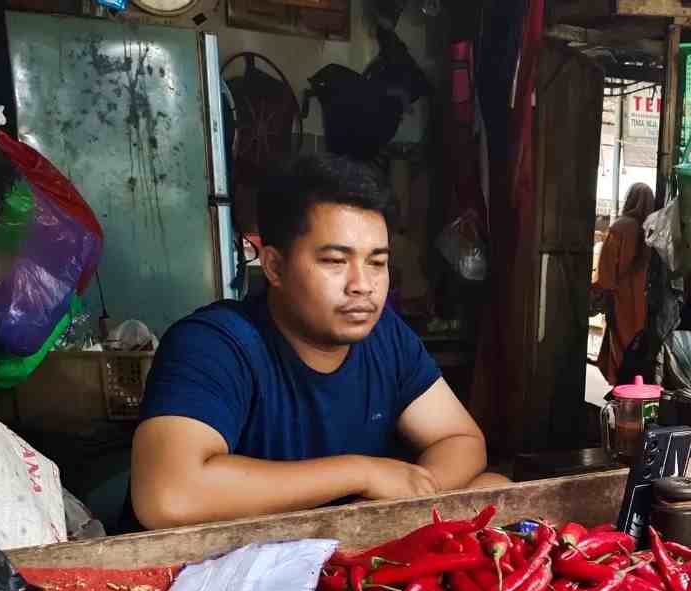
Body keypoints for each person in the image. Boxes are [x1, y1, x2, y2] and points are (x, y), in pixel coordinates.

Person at [126, 153, 505, 531]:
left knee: (494, 489)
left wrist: (417, 490)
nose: (363, 284)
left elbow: (461, 438)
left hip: (343, 550)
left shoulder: (386, 336)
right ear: (275, 266)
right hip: (238, 565)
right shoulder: (215, 344)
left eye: (376, 262)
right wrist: (362, 473)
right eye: (335, 261)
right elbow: (168, 496)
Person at [593, 183, 656, 384]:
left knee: (619, 348)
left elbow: (605, 273)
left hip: (621, 302)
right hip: (646, 305)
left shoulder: (619, 228)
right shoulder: (654, 231)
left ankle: (621, 391)